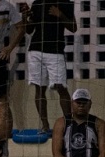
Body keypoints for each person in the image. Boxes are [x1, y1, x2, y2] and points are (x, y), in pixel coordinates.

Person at [21, 0, 77, 132]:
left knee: (61, 87)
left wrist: (60, 15)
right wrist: (25, 17)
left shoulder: (66, 3)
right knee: (39, 90)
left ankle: (69, 124)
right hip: (35, 51)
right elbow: (29, 30)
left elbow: (73, 28)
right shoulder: (37, 3)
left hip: (55, 52)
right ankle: (45, 125)